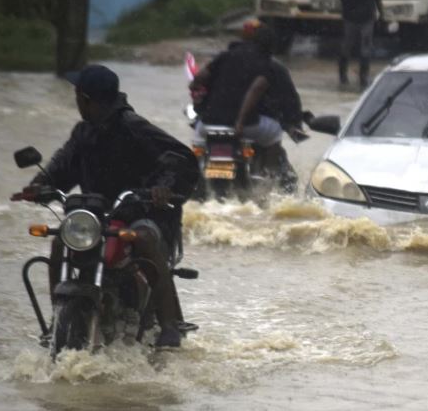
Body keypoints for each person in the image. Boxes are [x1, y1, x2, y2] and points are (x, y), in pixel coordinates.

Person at [19, 64, 200, 348]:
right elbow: (64, 163)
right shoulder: (83, 132)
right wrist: (41, 183)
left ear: (86, 99)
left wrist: (163, 186)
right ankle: (58, 318)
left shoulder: (134, 127)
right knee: (59, 242)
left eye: (78, 95)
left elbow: (182, 159)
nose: (76, 101)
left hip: (140, 212)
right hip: (94, 216)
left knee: (144, 239)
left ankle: (168, 326)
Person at [190, 20, 306, 182]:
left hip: (209, 122)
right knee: (274, 135)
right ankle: (270, 175)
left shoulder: (225, 57)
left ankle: (195, 174)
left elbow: (199, 79)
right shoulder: (268, 65)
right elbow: (258, 91)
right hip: (245, 125)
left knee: (198, 139)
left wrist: (197, 97)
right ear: (271, 47)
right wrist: (240, 121)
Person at [333, 0, 384, 88]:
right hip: (351, 14)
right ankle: (343, 77)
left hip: (366, 14)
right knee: (347, 46)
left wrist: (381, 13)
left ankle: (363, 78)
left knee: (364, 48)